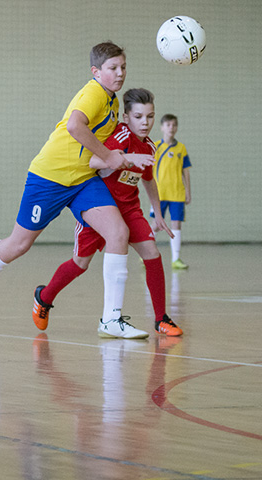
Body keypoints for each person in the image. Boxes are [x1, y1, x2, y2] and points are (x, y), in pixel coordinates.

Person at [0, 41, 146, 338]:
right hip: (50, 178)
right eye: (113, 68)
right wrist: (109, 157)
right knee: (19, 245)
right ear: (96, 71)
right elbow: (74, 126)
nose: (120, 73)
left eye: (123, 67)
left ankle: (111, 319)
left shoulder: (113, 100)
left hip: (83, 179)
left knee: (118, 233)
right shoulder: (94, 93)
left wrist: (119, 157)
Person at [33, 88, 183, 337]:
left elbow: (148, 179)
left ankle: (161, 319)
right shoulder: (120, 136)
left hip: (130, 209)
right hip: (101, 209)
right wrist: (126, 157)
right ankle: (44, 297)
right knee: (80, 263)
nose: (145, 122)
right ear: (126, 117)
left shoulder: (150, 146)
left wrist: (157, 213)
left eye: (150, 117)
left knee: (152, 253)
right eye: (138, 117)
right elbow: (93, 162)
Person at [151, 114, 191, 270]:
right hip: (159, 194)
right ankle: (146, 253)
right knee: (155, 224)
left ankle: (176, 259)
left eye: (174, 125)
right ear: (162, 127)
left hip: (177, 193)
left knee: (176, 224)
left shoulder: (181, 148)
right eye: (168, 125)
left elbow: (185, 171)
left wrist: (188, 191)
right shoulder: (155, 147)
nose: (171, 128)